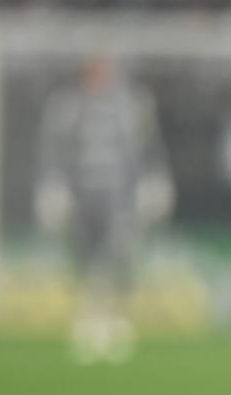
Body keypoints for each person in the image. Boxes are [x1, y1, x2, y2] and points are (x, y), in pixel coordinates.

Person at [34, 54, 175, 364]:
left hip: (120, 199)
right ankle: (86, 321)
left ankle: (117, 321)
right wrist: (52, 186)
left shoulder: (132, 106)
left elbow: (151, 148)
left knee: (119, 257)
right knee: (83, 260)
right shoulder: (67, 107)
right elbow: (53, 150)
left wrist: (155, 180)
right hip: (81, 199)